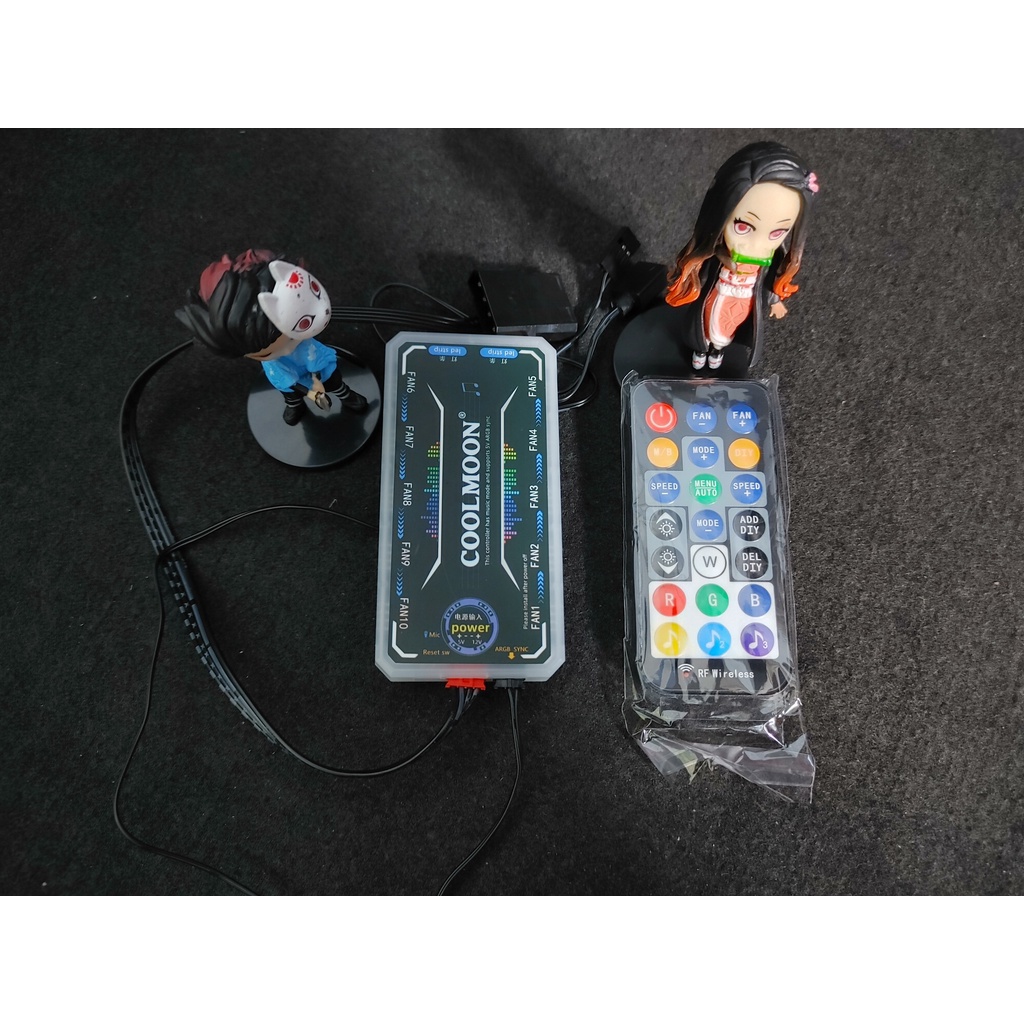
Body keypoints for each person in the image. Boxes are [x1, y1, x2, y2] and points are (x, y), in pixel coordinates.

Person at [664, 141, 818, 373]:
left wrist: (774, 300)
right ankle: (701, 350)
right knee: (706, 325)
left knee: (727, 331)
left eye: (777, 233)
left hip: (743, 301)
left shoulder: (771, 259)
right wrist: (687, 277)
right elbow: (700, 271)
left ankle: (717, 351)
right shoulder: (715, 254)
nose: (757, 246)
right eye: (743, 227)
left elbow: (770, 281)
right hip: (717, 294)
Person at [176, 248, 368, 424]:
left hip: (317, 369)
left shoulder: (305, 345)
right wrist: (309, 393)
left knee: (333, 381)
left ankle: (346, 396)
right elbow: (285, 378)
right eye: (265, 353)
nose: (287, 349)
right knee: (290, 394)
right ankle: (295, 405)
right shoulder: (272, 362)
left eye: (291, 338)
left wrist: (316, 380)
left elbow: (316, 361)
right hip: (292, 382)